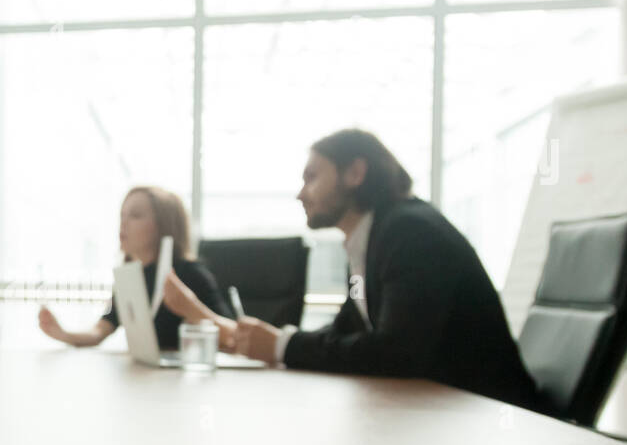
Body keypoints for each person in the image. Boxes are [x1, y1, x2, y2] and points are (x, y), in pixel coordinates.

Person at [161, 129, 543, 410]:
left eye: (312, 177)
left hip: (488, 416)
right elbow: (350, 328)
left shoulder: (410, 233)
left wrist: (282, 345)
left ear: (355, 173)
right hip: (437, 409)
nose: (300, 193)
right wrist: (281, 341)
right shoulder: (369, 239)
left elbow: (396, 352)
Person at [38, 186, 230, 351]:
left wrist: (191, 308)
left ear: (163, 225)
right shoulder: (129, 277)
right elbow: (100, 331)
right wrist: (63, 334)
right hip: (146, 379)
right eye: (122, 215)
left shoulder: (189, 274)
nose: (123, 223)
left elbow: (232, 337)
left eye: (135, 215)